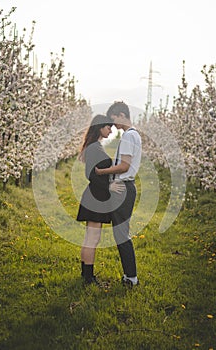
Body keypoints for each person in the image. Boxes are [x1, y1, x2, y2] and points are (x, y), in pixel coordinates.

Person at [96, 102, 142, 287]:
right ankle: (129, 276)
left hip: (123, 188)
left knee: (122, 234)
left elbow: (124, 166)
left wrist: (102, 172)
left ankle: (131, 278)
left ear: (121, 114)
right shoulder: (133, 135)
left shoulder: (129, 137)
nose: (113, 125)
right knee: (120, 233)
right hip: (125, 187)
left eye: (113, 120)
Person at [77, 114, 124, 285]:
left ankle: (85, 275)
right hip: (95, 197)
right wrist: (108, 187)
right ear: (99, 128)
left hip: (96, 196)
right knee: (93, 239)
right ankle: (88, 279)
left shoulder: (95, 146)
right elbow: (90, 174)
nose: (111, 131)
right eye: (108, 127)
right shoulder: (94, 148)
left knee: (90, 237)